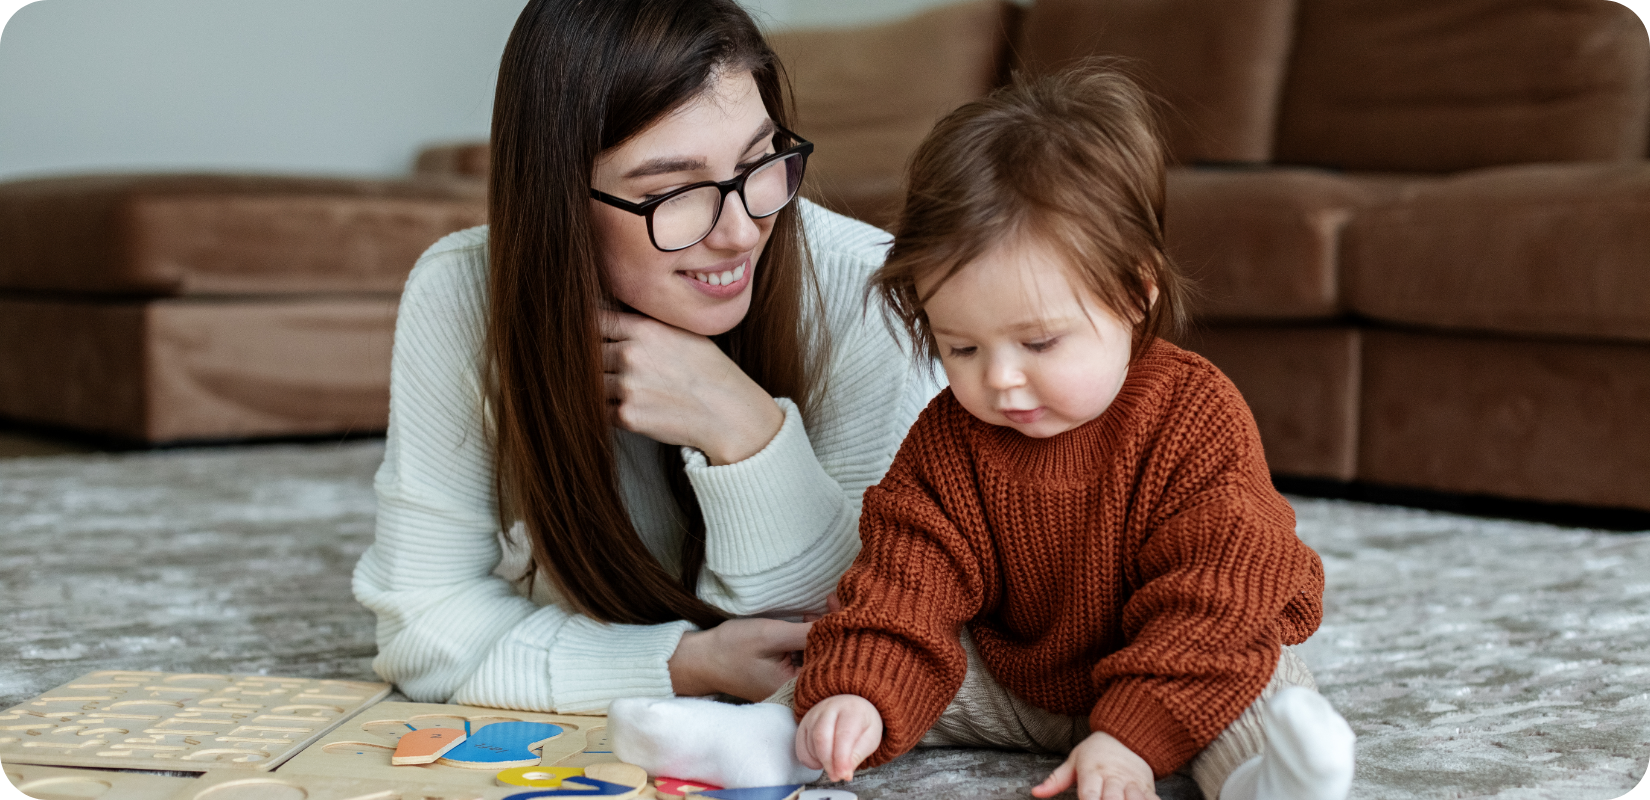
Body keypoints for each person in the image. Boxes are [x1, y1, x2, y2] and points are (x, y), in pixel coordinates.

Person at [611, 65, 1355, 800]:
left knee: (1258, 678)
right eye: (961, 347)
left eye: (1038, 344)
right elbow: (907, 584)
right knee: (876, 665)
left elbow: (1217, 594)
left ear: (1135, 291)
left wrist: (1130, 739)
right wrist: (857, 696)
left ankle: (1270, 785)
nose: (998, 380)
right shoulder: (950, 440)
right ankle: (767, 743)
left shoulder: (1193, 415)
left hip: (1170, 665)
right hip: (1021, 683)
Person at [351, 0, 940, 716]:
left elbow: (851, 643)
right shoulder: (463, 291)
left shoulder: (868, 290)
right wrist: (683, 664)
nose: (741, 231)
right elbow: (423, 626)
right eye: (673, 193)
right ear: (560, 196)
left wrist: (745, 432)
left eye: (759, 162)